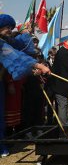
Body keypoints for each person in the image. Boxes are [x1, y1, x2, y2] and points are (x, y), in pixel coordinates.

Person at [0, 14, 50, 157]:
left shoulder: (6, 41)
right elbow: (16, 56)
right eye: (6, 27)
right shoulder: (2, 44)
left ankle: (2, 144)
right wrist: (39, 64)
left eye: (11, 27)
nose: (10, 30)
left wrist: (26, 33)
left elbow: (24, 48)